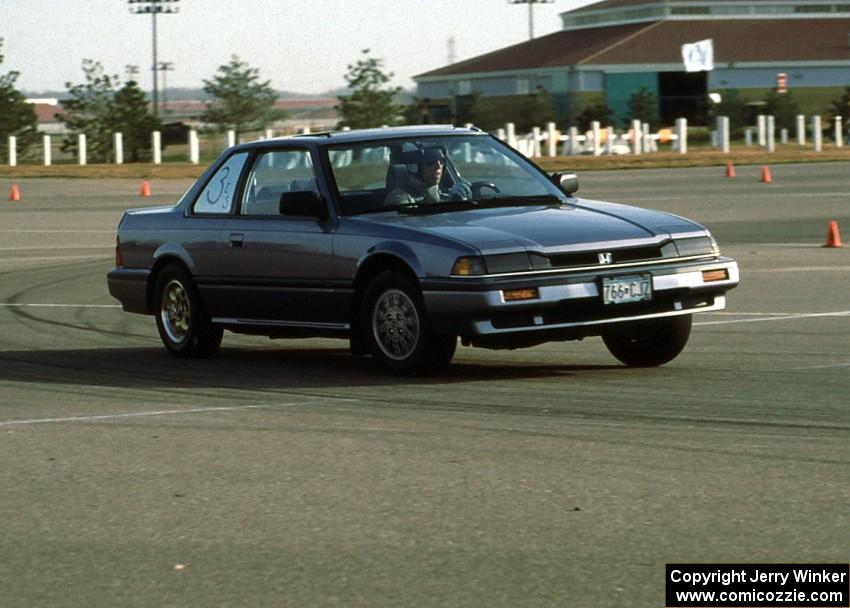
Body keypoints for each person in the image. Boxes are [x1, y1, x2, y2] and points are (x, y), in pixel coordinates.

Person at [384, 148, 472, 206]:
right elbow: (411, 224)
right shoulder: (398, 197)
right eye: (431, 162)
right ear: (415, 167)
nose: (438, 166)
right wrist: (450, 204)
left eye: (441, 161)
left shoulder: (445, 194)